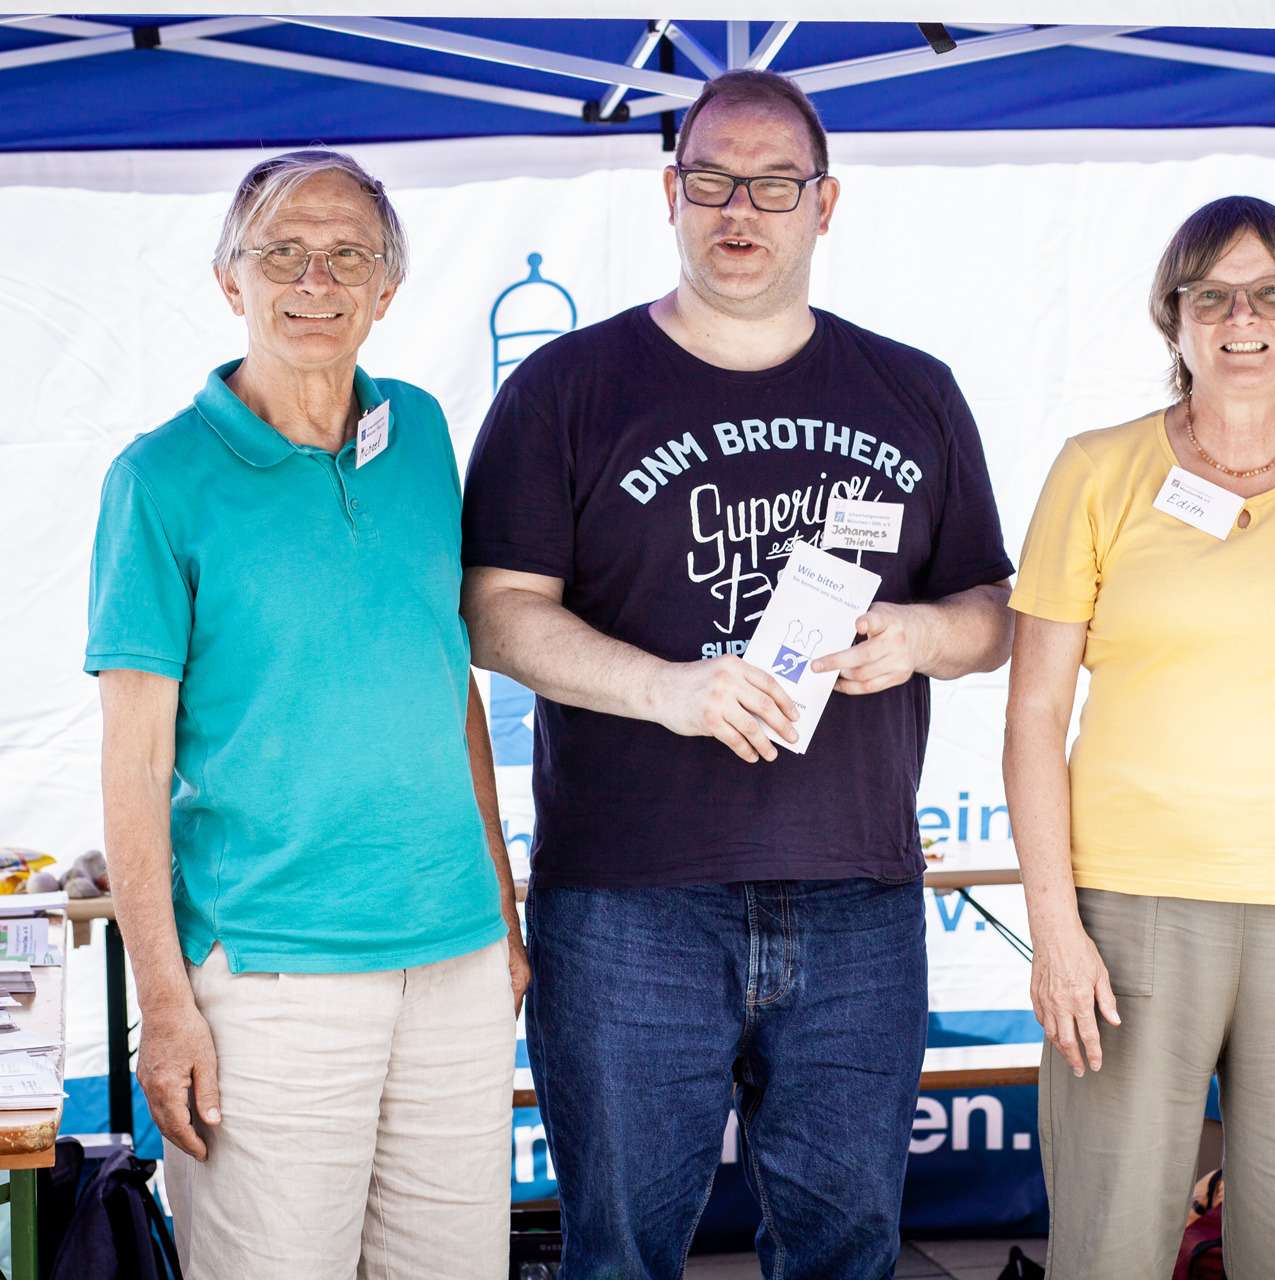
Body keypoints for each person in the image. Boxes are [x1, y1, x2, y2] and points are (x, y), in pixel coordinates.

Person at [460, 70, 1015, 1279]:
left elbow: (992, 611)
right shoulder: (565, 388)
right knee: (619, 1252)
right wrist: (669, 686)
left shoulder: (913, 390)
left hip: (859, 895)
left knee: (847, 1250)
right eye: (712, 180)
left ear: (828, 203)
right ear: (671, 192)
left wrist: (917, 637)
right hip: (627, 903)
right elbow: (497, 617)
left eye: (775, 184)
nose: (740, 211)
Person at [87, 150, 527, 1278]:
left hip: (456, 960)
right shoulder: (161, 478)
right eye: (281, 250)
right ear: (230, 278)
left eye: (348, 255)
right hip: (272, 979)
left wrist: (505, 912)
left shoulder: (423, 434)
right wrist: (166, 1007)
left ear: (388, 289)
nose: (314, 279)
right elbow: (132, 768)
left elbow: (451, 685)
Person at [1003, 194, 1275, 1280]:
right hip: (1130, 914)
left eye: (1270, 293)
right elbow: (1032, 712)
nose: (1241, 318)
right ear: (1176, 320)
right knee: (1110, 1244)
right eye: (1212, 295)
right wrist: (1054, 927)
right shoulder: (1097, 469)